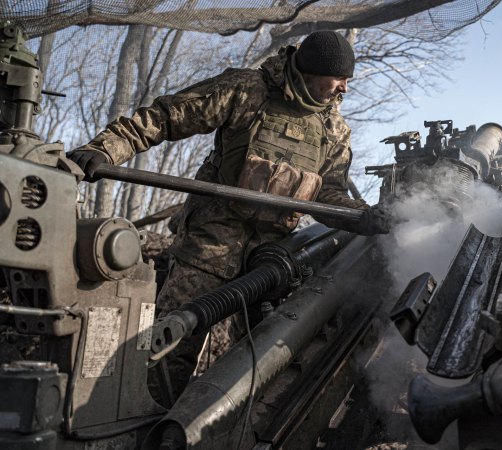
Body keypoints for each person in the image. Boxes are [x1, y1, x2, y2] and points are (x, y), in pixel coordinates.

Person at [68, 30, 389, 403]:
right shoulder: (247, 90)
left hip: (269, 261)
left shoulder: (334, 130)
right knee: (168, 352)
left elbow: (327, 193)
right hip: (209, 247)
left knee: (258, 365)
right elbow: (166, 116)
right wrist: (105, 149)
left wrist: (361, 216)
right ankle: (143, 422)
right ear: (311, 71)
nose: (344, 88)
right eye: (338, 78)